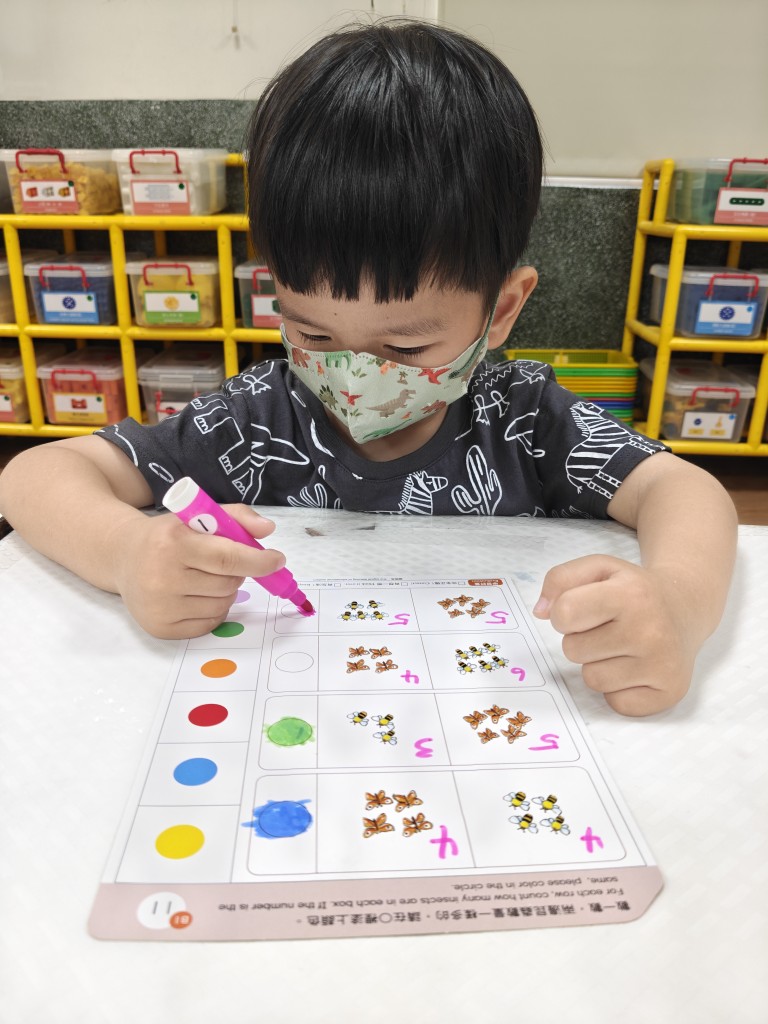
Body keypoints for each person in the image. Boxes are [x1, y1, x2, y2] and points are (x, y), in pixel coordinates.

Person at [0, 21, 736, 717]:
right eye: (312, 332)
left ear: (502, 310)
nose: (354, 380)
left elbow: (683, 490)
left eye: (406, 349)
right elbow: (34, 476)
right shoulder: (254, 420)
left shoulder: (523, 417)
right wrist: (128, 553)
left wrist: (677, 601)